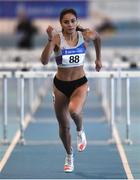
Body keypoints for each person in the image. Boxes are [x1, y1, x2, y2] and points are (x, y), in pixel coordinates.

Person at [41, 8, 102, 173]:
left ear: (77, 22)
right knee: (63, 126)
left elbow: (98, 38)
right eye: (66, 22)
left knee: (74, 111)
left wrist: (98, 58)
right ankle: (69, 155)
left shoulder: (86, 35)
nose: (70, 24)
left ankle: (80, 131)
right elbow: (45, 61)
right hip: (60, 86)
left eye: (72, 21)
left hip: (79, 83)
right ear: (61, 24)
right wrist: (49, 40)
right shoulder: (57, 39)